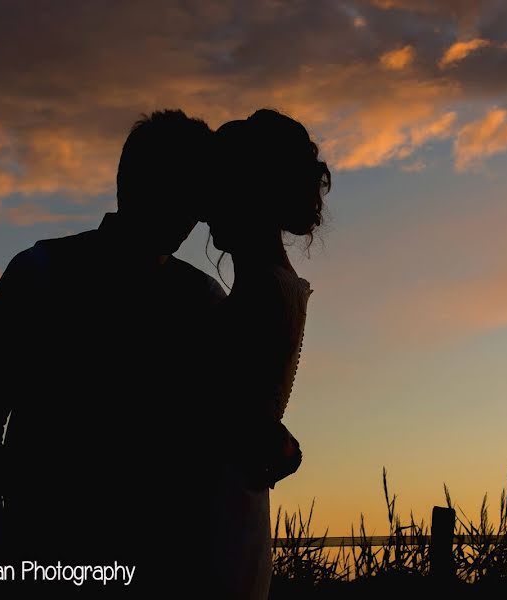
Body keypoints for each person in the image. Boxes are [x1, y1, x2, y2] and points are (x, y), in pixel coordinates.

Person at [0, 110, 225, 572]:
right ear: (133, 183)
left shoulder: (204, 299)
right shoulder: (38, 273)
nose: (193, 216)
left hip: (164, 559)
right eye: (181, 190)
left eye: (197, 196)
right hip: (44, 547)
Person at [204, 108, 330, 599]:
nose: (207, 208)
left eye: (219, 189)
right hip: (235, 509)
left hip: (216, 517)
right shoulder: (271, 285)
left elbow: (225, 420)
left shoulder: (261, 291)